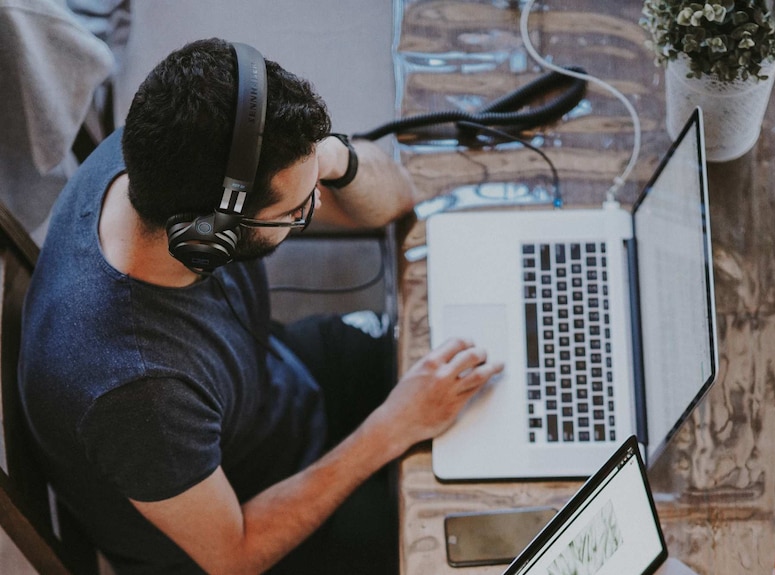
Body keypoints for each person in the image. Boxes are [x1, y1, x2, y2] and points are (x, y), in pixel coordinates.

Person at [18, 37, 503, 575]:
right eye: (297, 211)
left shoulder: (162, 155)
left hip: (274, 389)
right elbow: (235, 554)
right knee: (475, 533)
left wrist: (330, 157)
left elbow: (397, 198)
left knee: (494, 377)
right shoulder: (136, 392)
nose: (315, 207)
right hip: (254, 519)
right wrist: (392, 427)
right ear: (211, 238)